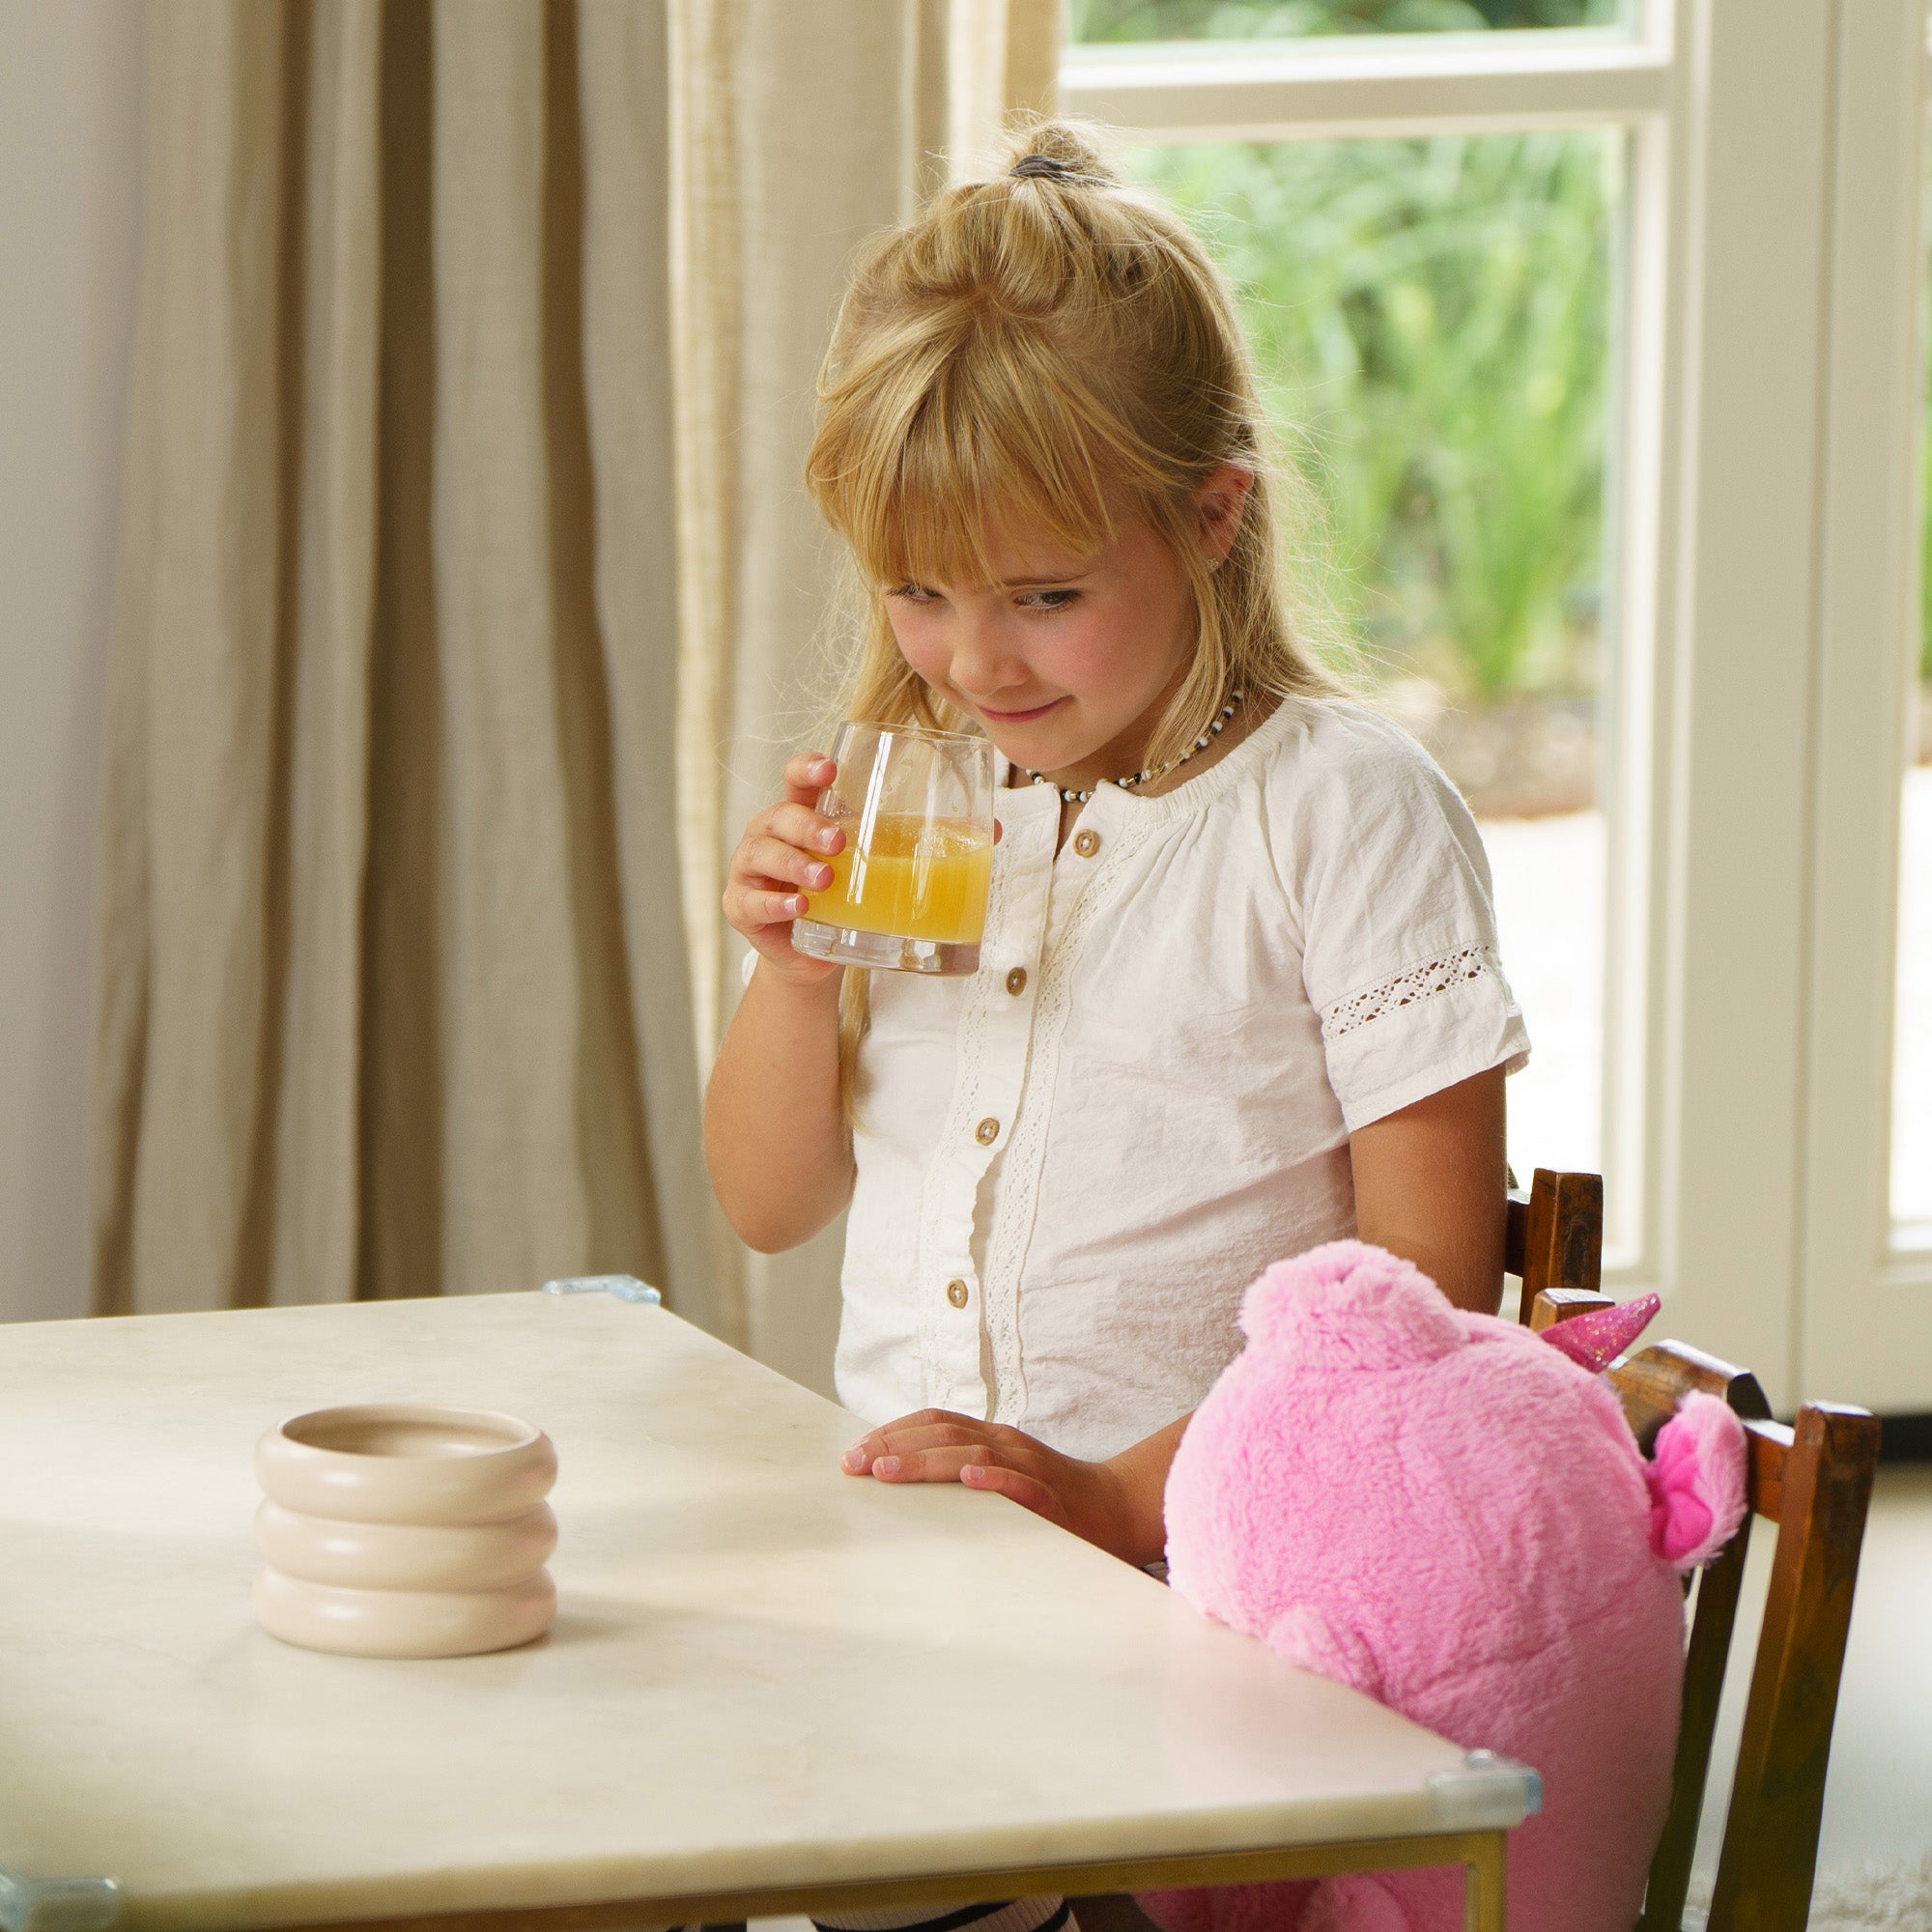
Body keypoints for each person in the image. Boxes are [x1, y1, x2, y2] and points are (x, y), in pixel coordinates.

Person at [702, 120, 1530, 1932]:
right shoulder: (922, 800)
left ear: (1212, 516)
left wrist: (1110, 1499)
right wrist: (791, 973)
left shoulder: (1339, 813)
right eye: (919, 591)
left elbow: (1424, 1296)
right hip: (921, 1580)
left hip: (1218, 1589)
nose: (974, 662)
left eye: (1046, 597)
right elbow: (768, 1206)